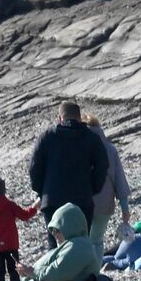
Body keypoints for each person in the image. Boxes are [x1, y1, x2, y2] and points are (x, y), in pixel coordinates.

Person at [28, 101, 108, 249]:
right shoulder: (91, 138)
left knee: (55, 247)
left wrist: (42, 191)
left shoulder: (47, 137)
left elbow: (34, 168)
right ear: (79, 118)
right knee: (81, 244)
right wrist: (93, 188)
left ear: (59, 118)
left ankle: (57, 271)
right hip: (82, 200)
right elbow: (103, 165)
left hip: (52, 201)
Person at [82, 113, 131, 255]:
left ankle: (82, 272)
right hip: (105, 204)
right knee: (97, 240)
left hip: (82, 202)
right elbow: (120, 180)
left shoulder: (77, 148)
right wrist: (125, 209)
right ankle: (96, 272)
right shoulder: (110, 149)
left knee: (81, 239)